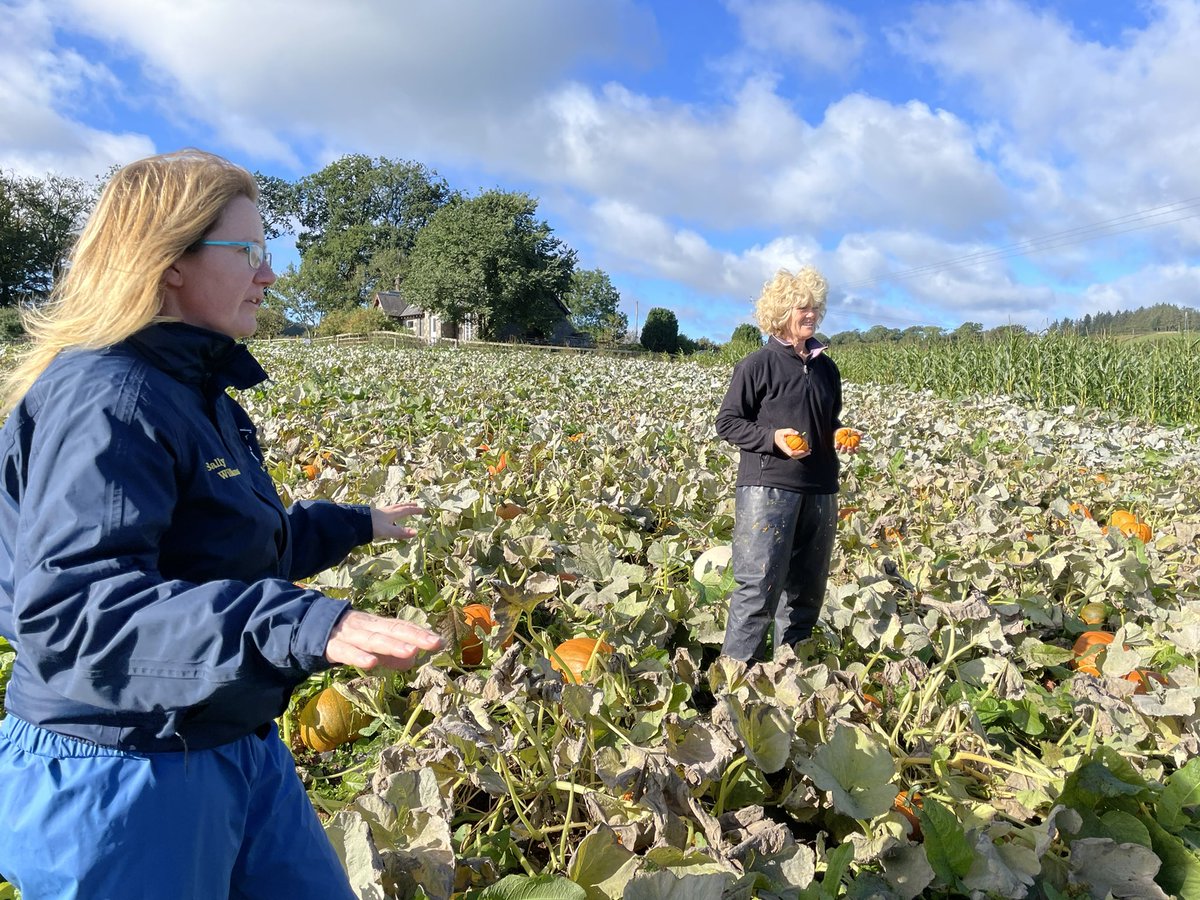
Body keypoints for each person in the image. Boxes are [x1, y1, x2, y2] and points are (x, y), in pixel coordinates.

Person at [0, 149, 444, 900]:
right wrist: (302, 622)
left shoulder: (194, 391)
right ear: (170, 261)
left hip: (231, 735)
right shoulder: (109, 398)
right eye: (250, 252)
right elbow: (73, 611)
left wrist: (357, 524)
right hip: (121, 766)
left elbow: (225, 548)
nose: (268, 276)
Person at [715, 266, 859, 663]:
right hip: (768, 489)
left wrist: (840, 433)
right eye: (802, 308)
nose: (811, 314)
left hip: (821, 490)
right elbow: (727, 422)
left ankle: (790, 678)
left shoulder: (827, 368)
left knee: (805, 596)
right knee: (757, 590)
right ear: (781, 313)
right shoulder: (757, 365)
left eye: (815, 307)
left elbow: (828, 419)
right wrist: (773, 439)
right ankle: (734, 683)